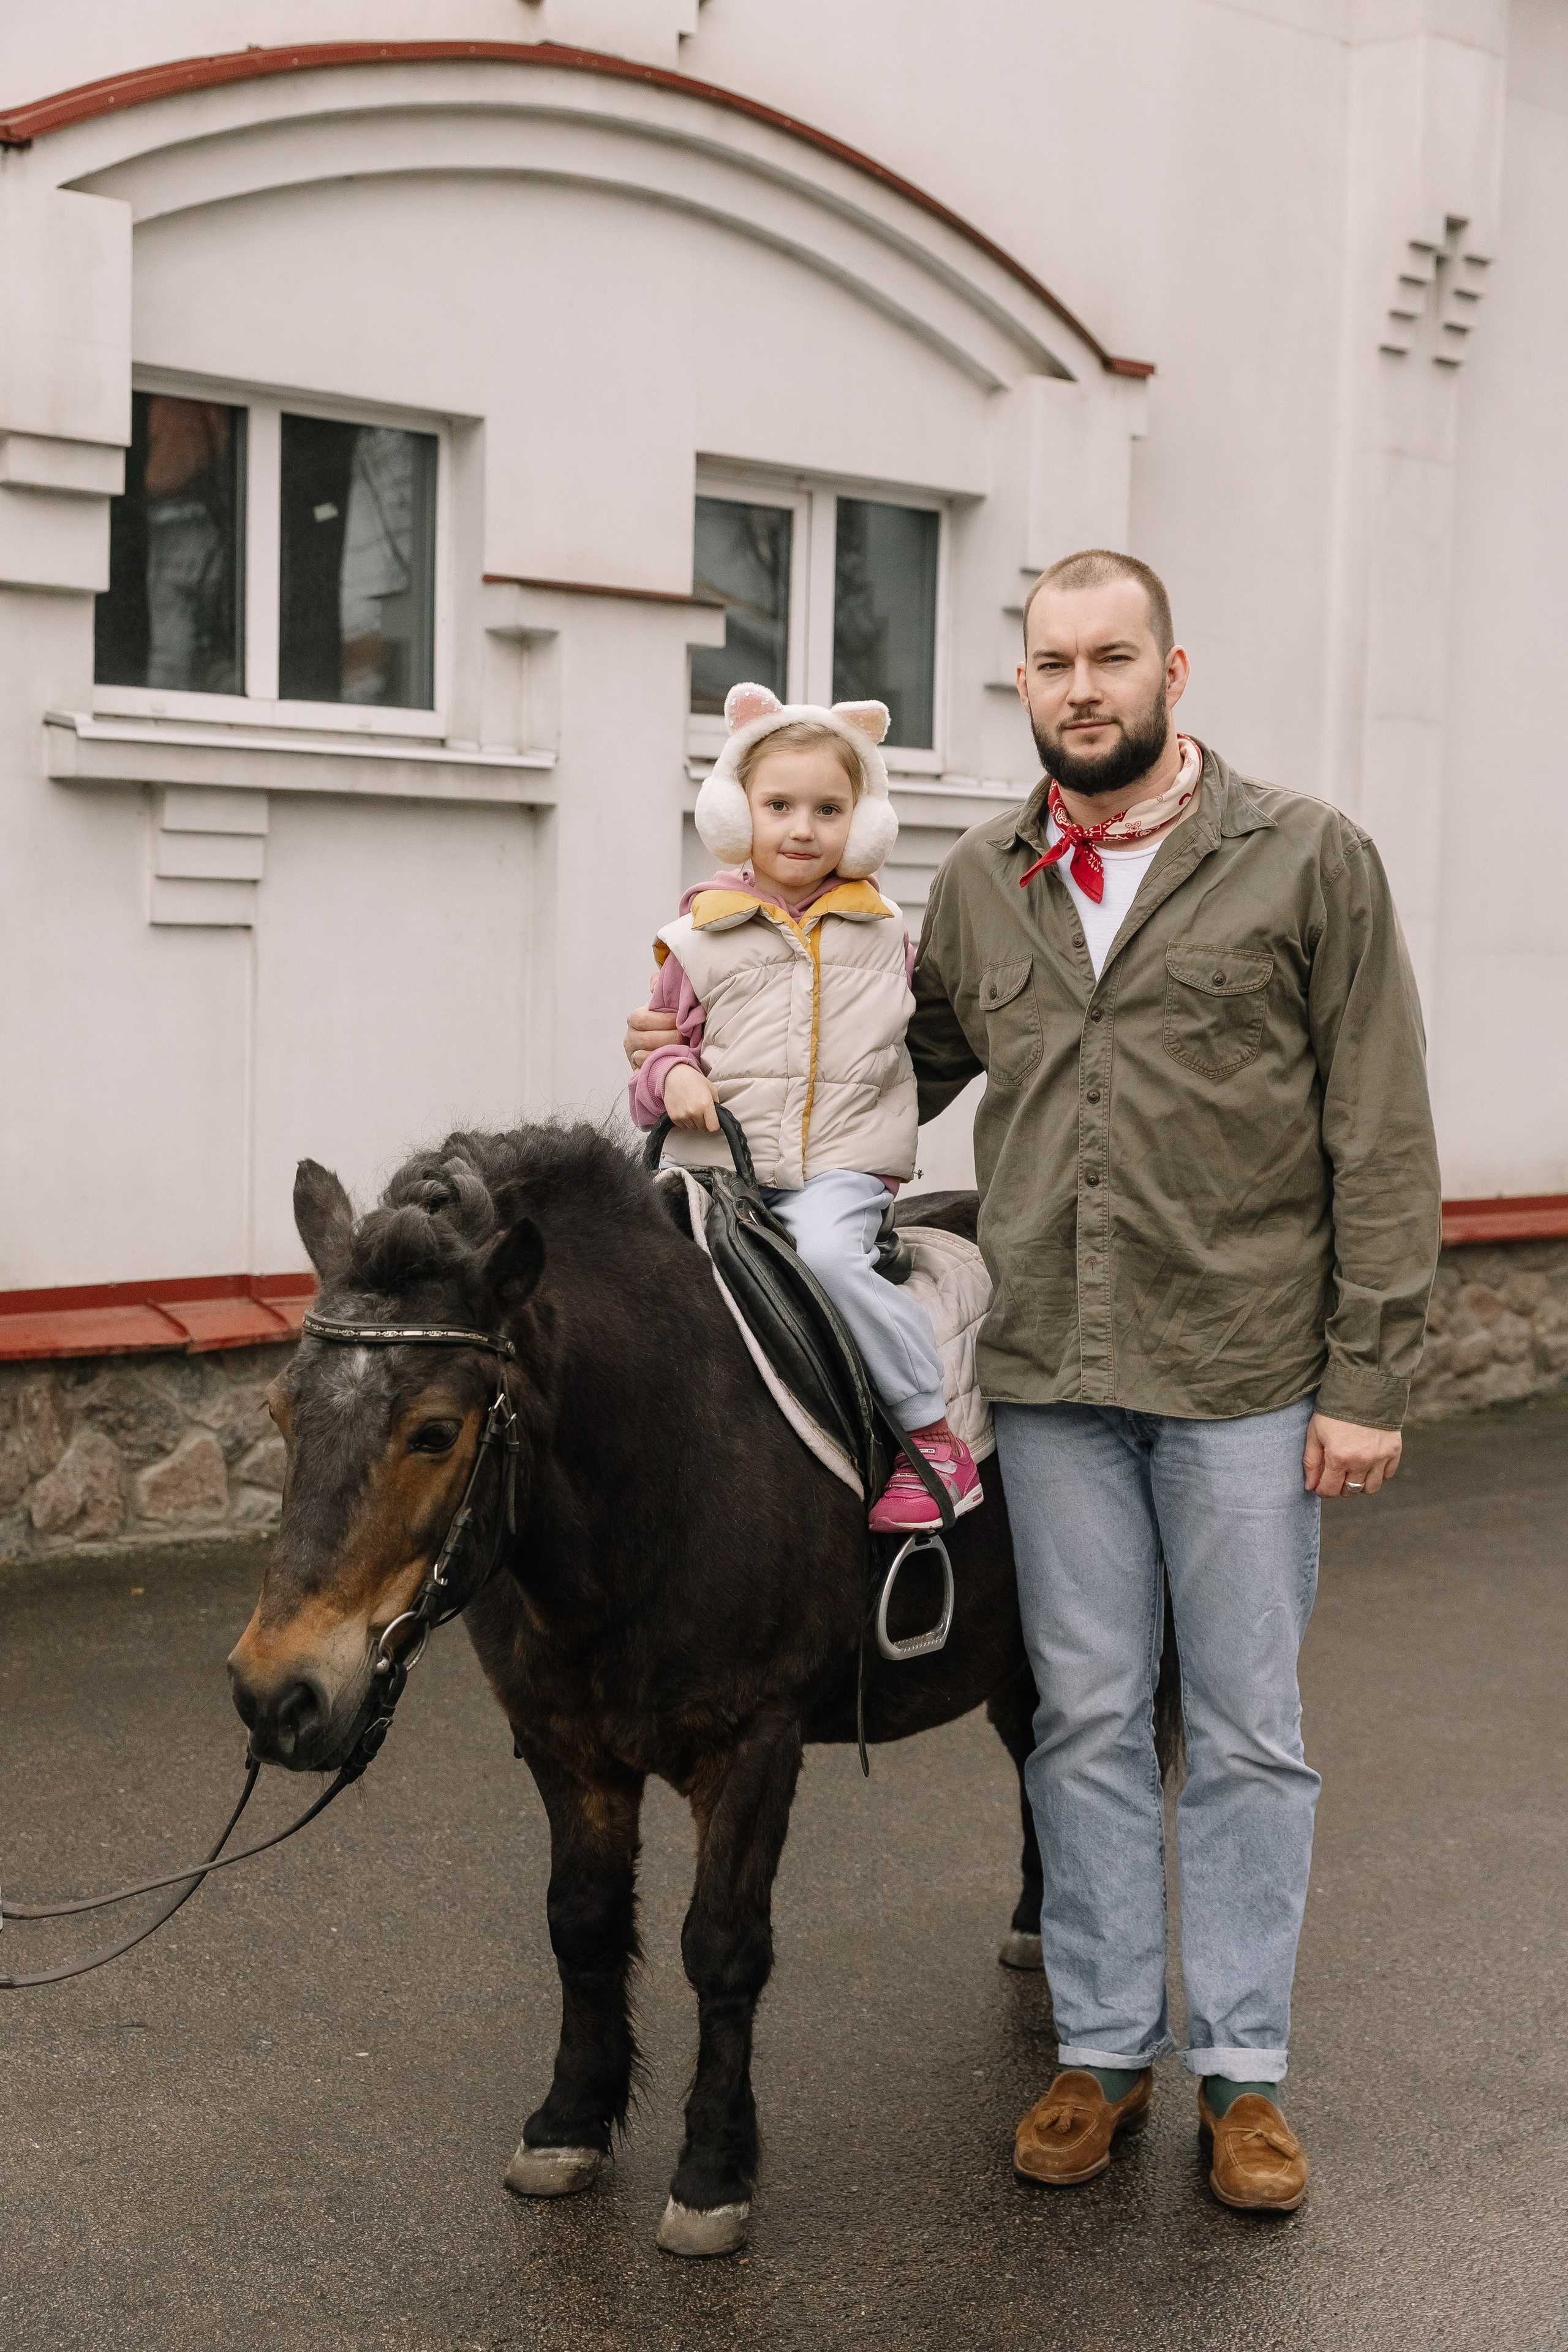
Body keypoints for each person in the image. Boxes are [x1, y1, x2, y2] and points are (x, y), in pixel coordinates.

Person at [628, 550, 1441, 2212]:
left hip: (1241, 1369)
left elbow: (1381, 1129)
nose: (1082, 687)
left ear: (1170, 671)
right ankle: (1101, 2051)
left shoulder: (1308, 858)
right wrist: (697, 1040)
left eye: (1111, 657)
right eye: (1054, 662)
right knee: (1080, 1719)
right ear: (1025, 685)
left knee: (1245, 1731)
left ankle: (1243, 2076)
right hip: (1050, 1372)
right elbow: (880, 1070)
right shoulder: (982, 882)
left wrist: (1368, 1376)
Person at [630, 679, 984, 1532]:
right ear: (736, 813)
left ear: (861, 823)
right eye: (779, 806)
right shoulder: (697, 939)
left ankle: (930, 1436)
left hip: (840, 1169)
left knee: (826, 1256)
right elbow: (657, 1053)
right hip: (724, 1173)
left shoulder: (885, 934)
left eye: (829, 810)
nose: (802, 829)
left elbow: (920, 1039)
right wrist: (673, 1076)